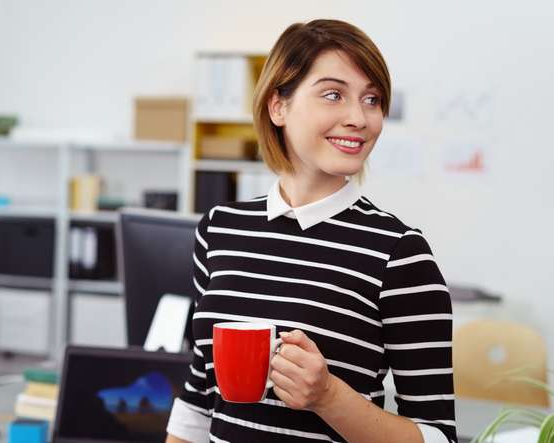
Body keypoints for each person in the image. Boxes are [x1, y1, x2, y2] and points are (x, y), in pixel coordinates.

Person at [166, 19, 456, 443]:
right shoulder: (218, 229)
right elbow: (198, 398)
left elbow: (439, 436)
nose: (359, 118)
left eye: (372, 99)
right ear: (277, 105)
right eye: (333, 94)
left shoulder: (400, 253)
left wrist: (329, 397)